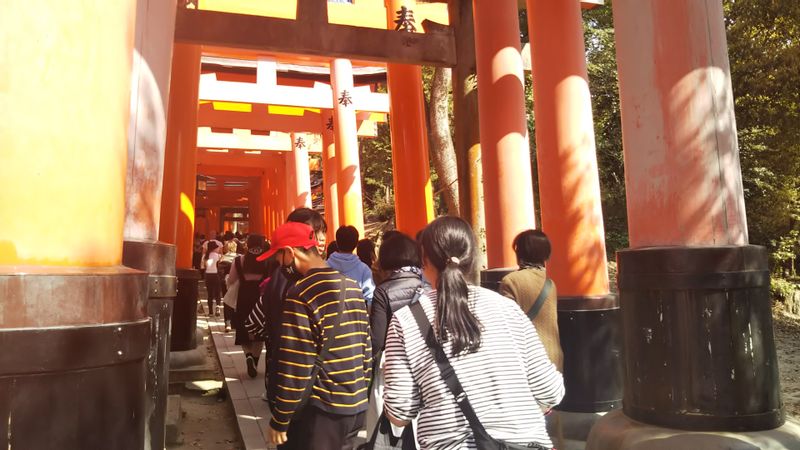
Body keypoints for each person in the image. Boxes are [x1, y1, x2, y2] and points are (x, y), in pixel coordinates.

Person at [383, 217, 564, 450]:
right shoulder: (509, 310)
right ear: (472, 257)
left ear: (424, 260)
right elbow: (551, 390)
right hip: (525, 441)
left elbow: (399, 412)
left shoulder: (405, 321)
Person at [260, 222, 372, 449]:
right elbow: (365, 349)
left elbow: (297, 364)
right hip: (355, 405)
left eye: (278, 258)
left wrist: (280, 419)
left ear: (290, 253)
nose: (279, 265)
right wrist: (360, 392)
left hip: (322, 410)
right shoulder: (351, 286)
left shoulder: (300, 293)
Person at [366, 232, 424, 441]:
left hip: (394, 365)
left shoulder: (383, 291)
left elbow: (378, 340)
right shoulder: (426, 285)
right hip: (425, 363)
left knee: (391, 422)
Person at [498, 230, 563, 372]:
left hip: (527, 359)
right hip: (553, 357)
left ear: (519, 252)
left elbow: (507, 323)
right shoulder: (551, 282)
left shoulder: (511, 281)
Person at [230, 234, 269, 378]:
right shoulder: (267, 260)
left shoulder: (239, 260)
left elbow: (232, 279)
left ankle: (248, 356)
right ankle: (256, 360)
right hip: (260, 297)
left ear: (248, 244)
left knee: (243, 329)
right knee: (259, 331)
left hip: (243, 297)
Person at [327, 226, 376, 307]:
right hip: (356, 316)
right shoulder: (363, 269)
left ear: (337, 243)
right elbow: (370, 298)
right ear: (356, 244)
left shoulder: (324, 267)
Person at [217, 240, 239, 331]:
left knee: (227, 301)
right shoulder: (239, 258)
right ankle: (235, 322)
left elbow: (219, 271)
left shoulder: (222, 258)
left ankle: (227, 322)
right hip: (236, 282)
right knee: (236, 301)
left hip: (225, 282)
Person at [203, 241, 222, 316]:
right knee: (217, 292)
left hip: (207, 275)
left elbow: (203, 266)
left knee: (210, 294)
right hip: (215, 275)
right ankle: (217, 307)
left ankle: (210, 311)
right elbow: (221, 261)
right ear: (214, 248)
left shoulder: (205, 256)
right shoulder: (217, 255)